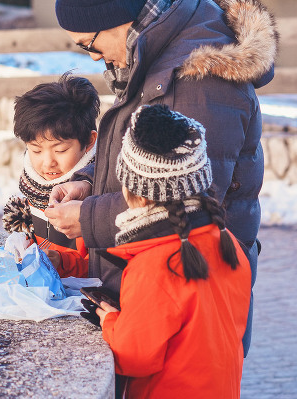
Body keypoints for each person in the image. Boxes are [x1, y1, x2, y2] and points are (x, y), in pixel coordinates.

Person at [44, 0, 277, 355]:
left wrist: (89, 218)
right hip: (165, 285)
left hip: (192, 300)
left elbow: (193, 202)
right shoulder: (155, 55)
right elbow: (140, 149)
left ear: (118, 18)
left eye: (89, 46)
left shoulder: (199, 78)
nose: (95, 57)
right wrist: (86, 182)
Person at [86, 104, 251, 398]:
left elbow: (134, 356)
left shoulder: (156, 265)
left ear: (132, 192)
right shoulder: (227, 241)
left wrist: (111, 322)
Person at [2, 73, 99, 278]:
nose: (48, 163)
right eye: (36, 150)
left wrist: (61, 262)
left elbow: (107, 267)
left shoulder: (98, 192)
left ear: (89, 141)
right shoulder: (31, 190)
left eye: (61, 150)